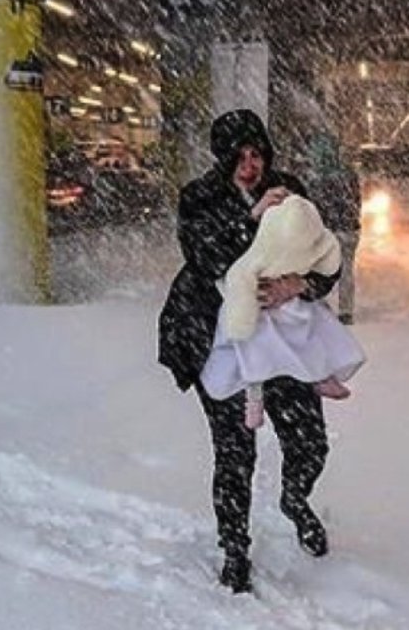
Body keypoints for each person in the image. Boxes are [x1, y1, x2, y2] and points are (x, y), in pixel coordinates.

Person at [157, 109, 337, 595]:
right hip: (219, 342)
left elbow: (323, 253)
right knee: (234, 453)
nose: (250, 165)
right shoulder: (199, 197)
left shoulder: (290, 190)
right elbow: (204, 254)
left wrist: (302, 283)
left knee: (310, 441)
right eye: (239, 156)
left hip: (282, 343)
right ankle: (234, 548)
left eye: (257, 154)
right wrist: (250, 218)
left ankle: (295, 500)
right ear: (222, 158)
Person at [200, 192, 366, 424]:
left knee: (310, 335)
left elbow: (326, 263)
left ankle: (320, 374)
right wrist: (242, 312)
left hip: (291, 306)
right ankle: (254, 399)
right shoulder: (210, 201)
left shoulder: (291, 204)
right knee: (252, 355)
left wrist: (303, 284)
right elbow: (209, 258)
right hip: (249, 310)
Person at [301, 131, 361, 324]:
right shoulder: (348, 173)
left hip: (324, 230)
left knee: (317, 268)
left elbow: (310, 205)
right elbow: (356, 200)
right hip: (348, 228)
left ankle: (319, 305)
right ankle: (346, 311)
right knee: (346, 270)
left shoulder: (313, 177)